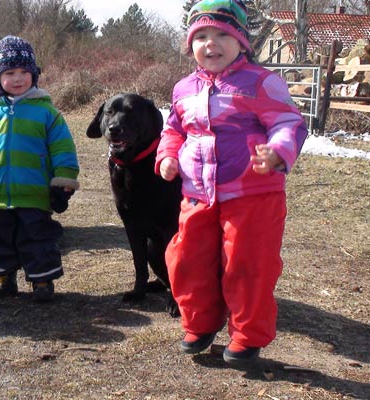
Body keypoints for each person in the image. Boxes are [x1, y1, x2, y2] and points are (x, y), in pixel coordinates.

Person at [155, 0, 308, 367]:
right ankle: (200, 322)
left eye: (223, 34)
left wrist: (277, 151)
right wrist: (167, 156)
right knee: (186, 258)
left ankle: (247, 334)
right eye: (201, 35)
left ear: (242, 41)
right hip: (197, 192)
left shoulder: (261, 82)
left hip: (253, 193)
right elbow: (174, 129)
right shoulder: (183, 89)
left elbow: (289, 122)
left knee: (246, 262)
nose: (212, 43)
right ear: (190, 44)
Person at [0, 35, 79, 302]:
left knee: (38, 238)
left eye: (25, 72)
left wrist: (64, 182)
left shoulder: (48, 113)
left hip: (35, 194)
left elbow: (62, 149)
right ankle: (3, 277)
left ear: (34, 75)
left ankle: (42, 279)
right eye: (10, 72)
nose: (18, 78)